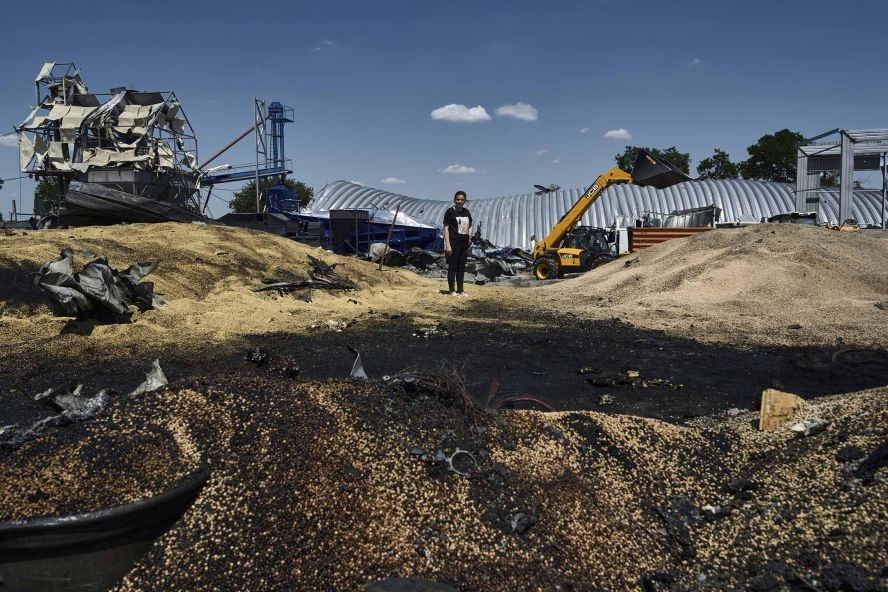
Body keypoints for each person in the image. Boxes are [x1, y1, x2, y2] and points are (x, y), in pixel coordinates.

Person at [442, 191, 473, 296]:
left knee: (461, 267)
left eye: (462, 200)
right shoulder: (450, 212)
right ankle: (452, 290)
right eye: (458, 199)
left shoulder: (466, 212)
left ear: (465, 201)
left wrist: (469, 237)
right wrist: (448, 245)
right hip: (454, 243)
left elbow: (470, 225)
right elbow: (446, 229)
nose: (460, 201)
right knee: (453, 267)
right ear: (454, 200)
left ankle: (461, 290)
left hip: (464, 243)